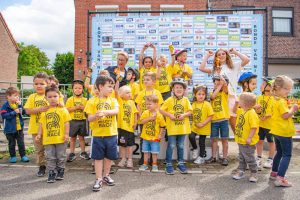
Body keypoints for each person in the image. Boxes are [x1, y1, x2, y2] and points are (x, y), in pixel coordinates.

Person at [199, 48, 250, 132]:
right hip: (219, 99)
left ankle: (240, 144)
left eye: (223, 54)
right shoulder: (215, 69)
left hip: (231, 97)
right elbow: (201, 68)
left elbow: (246, 60)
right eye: (219, 54)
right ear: (216, 57)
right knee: (219, 127)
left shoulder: (233, 66)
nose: (221, 56)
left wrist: (235, 52)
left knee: (235, 126)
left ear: (227, 55)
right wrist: (207, 56)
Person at [84, 75, 119, 191]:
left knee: (109, 157)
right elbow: (89, 118)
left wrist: (105, 112)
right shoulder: (91, 101)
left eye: (112, 87)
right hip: (98, 135)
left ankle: (106, 176)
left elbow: (116, 111)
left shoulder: (113, 100)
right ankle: (98, 178)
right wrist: (95, 115)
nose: (111, 89)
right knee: (98, 158)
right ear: (100, 86)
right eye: (109, 86)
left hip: (112, 134)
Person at [36, 86, 71, 183]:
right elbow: (41, 124)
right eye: (50, 97)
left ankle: (61, 170)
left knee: (61, 155)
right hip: (48, 140)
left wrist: (66, 134)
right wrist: (39, 134)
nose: (52, 99)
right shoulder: (44, 112)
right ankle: (51, 172)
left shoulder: (63, 110)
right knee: (50, 156)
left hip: (61, 138)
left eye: (55, 96)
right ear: (46, 98)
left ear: (59, 97)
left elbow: (66, 123)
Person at [269, 75, 299, 187]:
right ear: (277, 87)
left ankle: (274, 172)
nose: (289, 91)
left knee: (280, 152)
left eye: (289, 89)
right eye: (286, 88)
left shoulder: (273, 99)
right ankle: (280, 178)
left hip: (276, 130)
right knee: (287, 154)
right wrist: (293, 109)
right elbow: (286, 115)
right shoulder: (281, 101)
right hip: (284, 131)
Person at [160, 78, 192, 175]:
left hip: (182, 128)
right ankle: (169, 163)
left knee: (181, 146)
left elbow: (190, 111)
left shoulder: (186, 100)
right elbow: (161, 110)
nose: (179, 89)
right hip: (172, 128)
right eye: (176, 87)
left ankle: (180, 162)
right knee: (171, 145)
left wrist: (184, 115)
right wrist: (169, 115)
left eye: (181, 88)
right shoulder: (169, 100)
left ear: (184, 90)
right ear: (172, 90)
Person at [135, 72, 164, 165]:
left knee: (153, 137)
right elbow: (138, 105)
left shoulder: (157, 93)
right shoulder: (141, 93)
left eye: (148, 80)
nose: (145, 81)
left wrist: (156, 115)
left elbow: (159, 105)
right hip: (144, 119)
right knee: (143, 138)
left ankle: (152, 157)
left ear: (154, 81)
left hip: (154, 119)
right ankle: (144, 157)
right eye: (144, 80)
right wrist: (141, 115)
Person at [24, 72, 49, 177]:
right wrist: (40, 109)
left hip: (49, 128)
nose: (39, 86)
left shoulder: (50, 95)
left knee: (51, 149)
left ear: (47, 84)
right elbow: (27, 111)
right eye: (36, 84)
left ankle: (54, 166)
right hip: (35, 128)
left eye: (42, 84)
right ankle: (41, 166)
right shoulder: (31, 97)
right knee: (39, 150)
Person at [232, 92, 259, 183]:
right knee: (241, 157)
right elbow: (234, 111)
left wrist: (249, 138)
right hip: (241, 140)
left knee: (249, 157)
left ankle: (254, 173)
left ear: (244, 103)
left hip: (248, 141)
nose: (238, 101)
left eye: (240, 100)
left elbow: (254, 127)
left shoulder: (252, 113)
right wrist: (236, 103)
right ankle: (241, 171)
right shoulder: (242, 111)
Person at [1, 87, 29, 163]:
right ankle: (13, 156)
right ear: (8, 96)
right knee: (11, 144)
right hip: (9, 129)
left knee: (21, 143)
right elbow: (4, 115)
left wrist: (20, 106)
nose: (17, 97)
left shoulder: (17, 104)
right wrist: (14, 112)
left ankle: (23, 156)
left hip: (19, 128)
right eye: (15, 95)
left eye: (17, 95)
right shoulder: (5, 106)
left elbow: (23, 112)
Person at [139, 95, 166, 172]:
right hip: (145, 137)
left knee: (154, 152)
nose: (148, 106)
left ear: (156, 104)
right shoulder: (145, 112)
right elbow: (142, 121)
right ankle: (145, 164)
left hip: (155, 138)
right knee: (145, 152)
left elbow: (162, 126)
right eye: (147, 104)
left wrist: (160, 135)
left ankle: (154, 165)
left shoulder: (159, 115)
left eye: (150, 104)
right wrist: (150, 118)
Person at [189, 85, 214, 164]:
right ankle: (195, 148)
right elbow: (191, 114)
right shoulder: (193, 104)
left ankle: (201, 157)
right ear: (195, 95)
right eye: (199, 94)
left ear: (205, 95)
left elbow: (211, 116)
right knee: (191, 136)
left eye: (203, 94)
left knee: (201, 142)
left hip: (204, 127)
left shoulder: (207, 104)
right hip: (195, 126)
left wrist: (203, 124)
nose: (201, 96)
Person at [208, 74, 230, 166]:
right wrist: (219, 85)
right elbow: (213, 97)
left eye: (219, 82)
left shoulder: (225, 93)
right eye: (215, 83)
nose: (217, 84)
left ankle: (225, 158)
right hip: (214, 121)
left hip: (224, 120)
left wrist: (222, 83)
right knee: (214, 139)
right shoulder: (211, 93)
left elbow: (224, 86)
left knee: (224, 139)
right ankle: (213, 157)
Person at [65, 80, 89, 162]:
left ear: (82, 89)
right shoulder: (70, 99)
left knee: (82, 138)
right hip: (73, 121)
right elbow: (66, 110)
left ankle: (83, 152)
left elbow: (88, 110)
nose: (78, 90)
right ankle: (72, 153)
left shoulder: (85, 100)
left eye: (80, 88)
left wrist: (83, 109)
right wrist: (75, 108)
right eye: (76, 88)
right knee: (72, 138)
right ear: (73, 89)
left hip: (82, 121)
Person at [115, 86, 138, 168]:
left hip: (130, 128)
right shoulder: (120, 101)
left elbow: (135, 113)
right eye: (127, 92)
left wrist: (135, 122)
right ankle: (123, 158)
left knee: (130, 145)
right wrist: (117, 79)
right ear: (121, 95)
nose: (129, 94)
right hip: (121, 128)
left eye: (130, 92)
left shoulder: (132, 102)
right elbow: (116, 91)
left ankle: (130, 159)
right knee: (122, 145)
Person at [255, 77, 275, 170]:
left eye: (263, 84)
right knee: (259, 141)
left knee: (271, 142)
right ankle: (258, 158)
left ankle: (271, 160)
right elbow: (256, 110)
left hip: (270, 125)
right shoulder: (259, 97)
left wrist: (267, 116)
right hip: (260, 124)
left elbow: (274, 112)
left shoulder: (274, 99)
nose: (260, 86)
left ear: (269, 87)